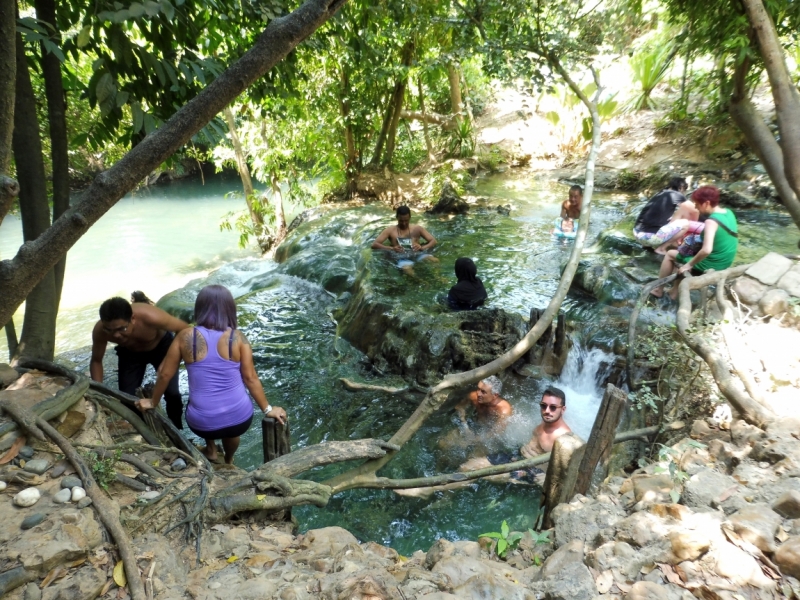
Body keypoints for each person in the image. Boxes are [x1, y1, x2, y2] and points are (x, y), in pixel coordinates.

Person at [135, 285, 286, 464]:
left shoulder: (185, 336)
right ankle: (229, 460)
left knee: (197, 398)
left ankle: (211, 449)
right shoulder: (238, 338)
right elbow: (250, 378)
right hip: (239, 419)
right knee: (231, 427)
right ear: (229, 308)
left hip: (201, 424)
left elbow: (165, 374)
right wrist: (268, 409)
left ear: (200, 308)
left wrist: (153, 401)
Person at [91, 296, 188, 429]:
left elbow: (185, 329)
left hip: (161, 348)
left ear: (133, 319)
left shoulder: (151, 316)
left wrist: (168, 360)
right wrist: (100, 392)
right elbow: (96, 360)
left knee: (172, 393)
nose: (116, 336)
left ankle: (177, 429)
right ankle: (143, 429)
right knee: (126, 397)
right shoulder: (100, 331)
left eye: (122, 329)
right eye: (110, 330)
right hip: (129, 353)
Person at [651, 185, 738, 300]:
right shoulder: (728, 212)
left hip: (713, 264)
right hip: (725, 261)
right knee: (685, 253)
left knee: (670, 254)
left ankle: (658, 290)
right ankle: (674, 292)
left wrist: (689, 265)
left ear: (706, 203)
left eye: (697, 204)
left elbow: (707, 250)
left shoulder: (711, 222)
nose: (696, 208)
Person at [633, 177, 697, 255]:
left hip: (637, 234)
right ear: (681, 188)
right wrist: (695, 227)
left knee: (672, 220)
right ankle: (661, 249)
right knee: (685, 223)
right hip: (650, 238)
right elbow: (694, 210)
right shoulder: (676, 194)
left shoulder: (661, 193)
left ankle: (646, 246)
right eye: (685, 189)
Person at [371, 205, 438, 271]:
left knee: (435, 260)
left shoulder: (417, 228)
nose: (404, 223)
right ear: (397, 217)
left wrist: (421, 247)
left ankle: (442, 279)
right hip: (401, 258)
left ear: (410, 217)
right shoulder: (390, 230)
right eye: (401, 221)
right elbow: (374, 245)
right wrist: (392, 248)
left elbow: (433, 241)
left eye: (406, 220)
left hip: (417, 254)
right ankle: (422, 282)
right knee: (408, 271)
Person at [520, 387, 572, 460]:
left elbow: (555, 469)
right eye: (543, 406)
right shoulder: (547, 420)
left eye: (553, 407)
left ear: (563, 410)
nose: (547, 410)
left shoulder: (563, 439)